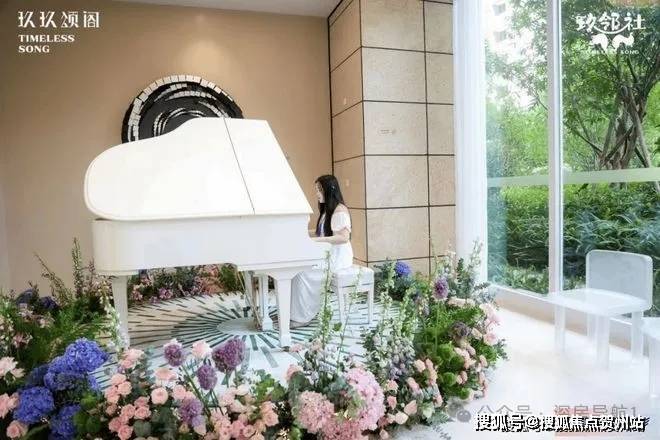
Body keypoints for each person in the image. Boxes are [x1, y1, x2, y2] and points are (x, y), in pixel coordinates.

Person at [290, 175, 353, 327]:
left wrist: (316, 240)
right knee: (295, 270)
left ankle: (303, 316)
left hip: (338, 257)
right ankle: (295, 312)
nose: (317, 193)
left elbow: (344, 237)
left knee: (301, 273)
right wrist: (302, 233)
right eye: (316, 190)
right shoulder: (328, 210)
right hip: (329, 254)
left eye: (319, 189)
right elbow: (322, 232)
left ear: (329, 190)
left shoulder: (339, 210)